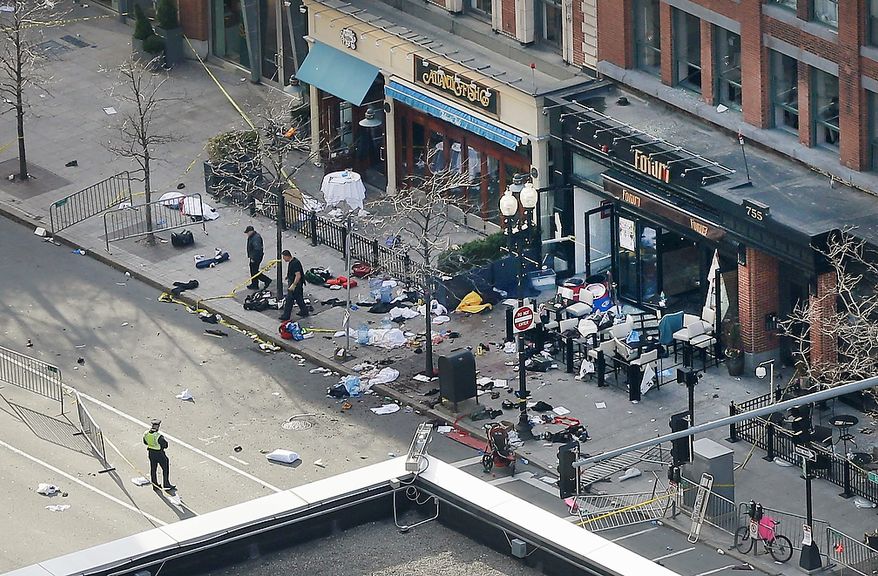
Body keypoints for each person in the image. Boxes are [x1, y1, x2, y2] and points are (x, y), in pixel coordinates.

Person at [143, 418, 175, 492]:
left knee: (153, 469)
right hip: (159, 453)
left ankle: (155, 485)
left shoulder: (146, 433)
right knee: (165, 468)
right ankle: (166, 484)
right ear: (157, 426)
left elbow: (145, 442)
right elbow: (165, 445)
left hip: (151, 453)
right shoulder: (158, 436)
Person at [279, 249, 309, 320]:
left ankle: (286, 316)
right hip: (297, 284)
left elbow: (298, 275)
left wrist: (293, 285)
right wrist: (288, 276)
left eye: (284, 257)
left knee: (289, 300)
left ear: (287, 256)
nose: (283, 259)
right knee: (299, 298)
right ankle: (304, 311)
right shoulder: (293, 261)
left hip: (295, 285)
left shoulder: (294, 263)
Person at [244, 225, 271, 290]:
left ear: (251, 231)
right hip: (254, 257)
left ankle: (266, 280)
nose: (247, 234)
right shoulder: (252, 237)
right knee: (253, 271)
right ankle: (254, 284)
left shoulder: (256, 238)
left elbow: (257, 249)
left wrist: (253, 258)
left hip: (256, 258)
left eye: (248, 232)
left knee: (254, 272)